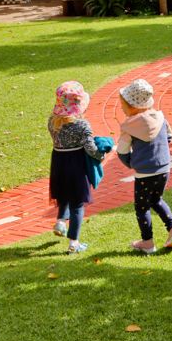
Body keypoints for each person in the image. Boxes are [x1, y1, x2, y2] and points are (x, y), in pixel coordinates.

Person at [116, 78, 172, 254]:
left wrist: (131, 163)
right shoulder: (160, 117)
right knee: (156, 199)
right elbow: (169, 136)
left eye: (123, 105)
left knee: (142, 207)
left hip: (144, 173)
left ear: (132, 106)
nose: (122, 109)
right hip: (164, 169)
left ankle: (148, 242)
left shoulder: (129, 126)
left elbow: (122, 150)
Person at [47, 81, 110, 254]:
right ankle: (74, 243)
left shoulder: (53, 122)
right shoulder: (82, 125)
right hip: (76, 166)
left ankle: (60, 221)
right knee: (77, 204)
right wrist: (102, 155)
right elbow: (90, 149)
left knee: (64, 195)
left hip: (59, 164)